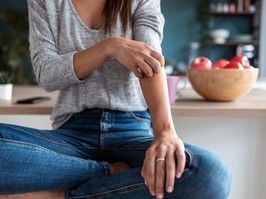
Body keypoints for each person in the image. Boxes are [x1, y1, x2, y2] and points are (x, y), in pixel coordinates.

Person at [0, 0, 231, 199]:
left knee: (211, 173)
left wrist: (165, 134)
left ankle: (62, 194)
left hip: (132, 130)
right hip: (72, 135)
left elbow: (151, 60)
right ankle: (107, 174)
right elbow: (46, 74)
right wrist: (109, 47)